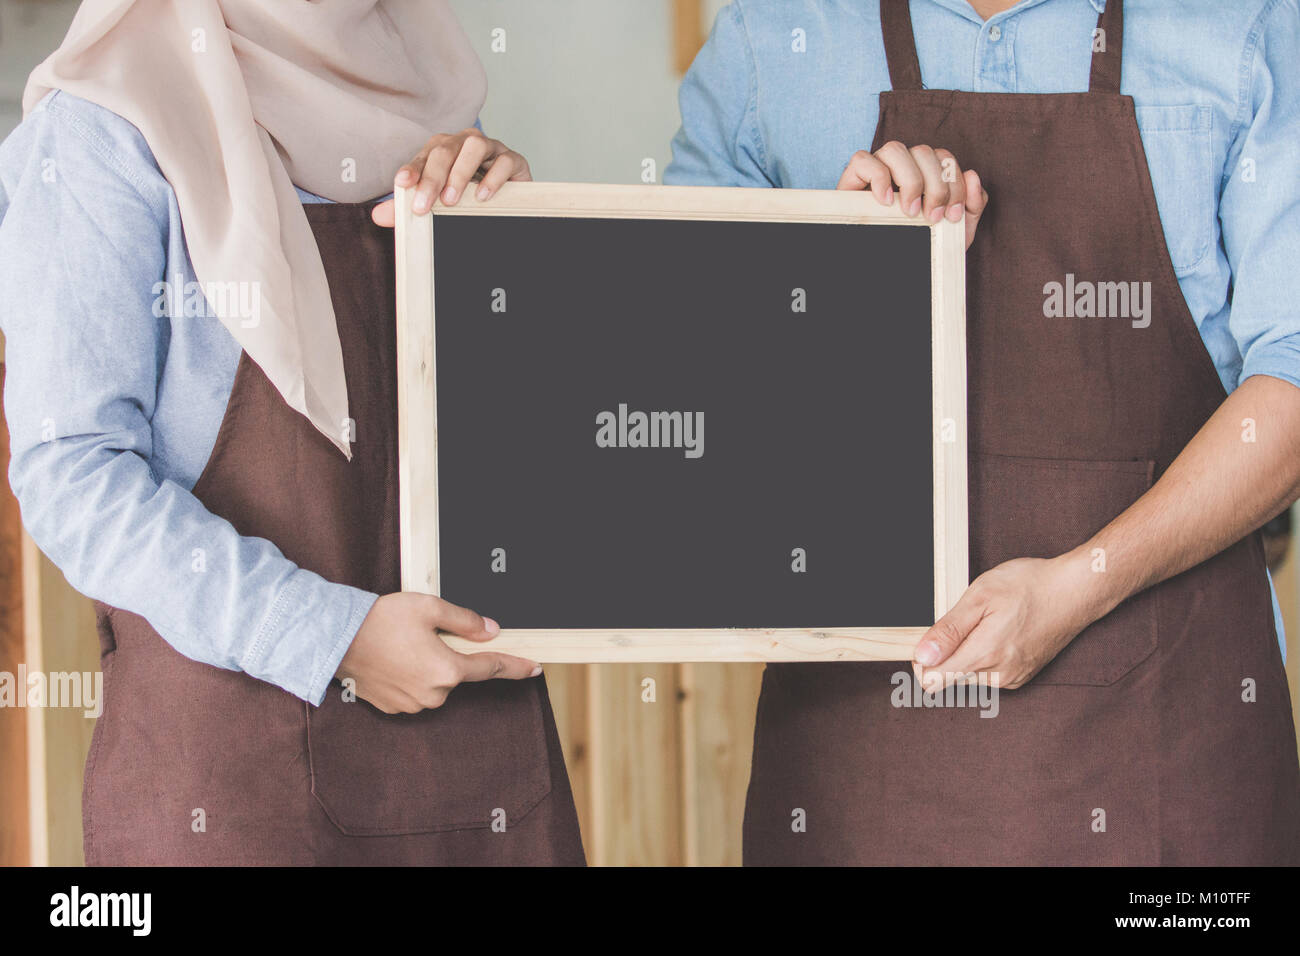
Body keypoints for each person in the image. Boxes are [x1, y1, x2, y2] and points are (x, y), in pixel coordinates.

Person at [667, 0, 1300, 864]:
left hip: (1172, 760)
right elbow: (684, 412)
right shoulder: (771, 42)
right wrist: (835, 275)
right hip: (865, 776)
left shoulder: (1245, 27)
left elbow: (1294, 382)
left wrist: (1080, 586)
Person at [0, 0, 584, 866]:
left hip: (481, 769)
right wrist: (334, 638)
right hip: (237, 786)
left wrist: (510, 250)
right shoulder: (99, 126)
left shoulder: (434, 104)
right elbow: (71, 469)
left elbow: (513, 432)